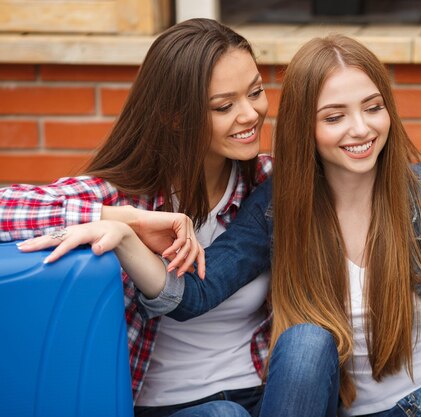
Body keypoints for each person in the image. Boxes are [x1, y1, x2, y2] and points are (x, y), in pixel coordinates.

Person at [18, 34, 421, 416]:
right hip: (290, 405)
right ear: (307, 125)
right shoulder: (277, 202)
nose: (360, 129)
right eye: (334, 117)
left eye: (373, 107)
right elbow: (193, 293)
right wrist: (124, 222)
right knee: (304, 341)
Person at [1, 18, 274, 417]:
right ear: (175, 117)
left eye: (256, 92)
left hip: (263, 393)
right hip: (164, 406)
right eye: (224, 106)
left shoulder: (266, 182)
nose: (250, 114)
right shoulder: (126, 193)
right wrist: (125, 220)